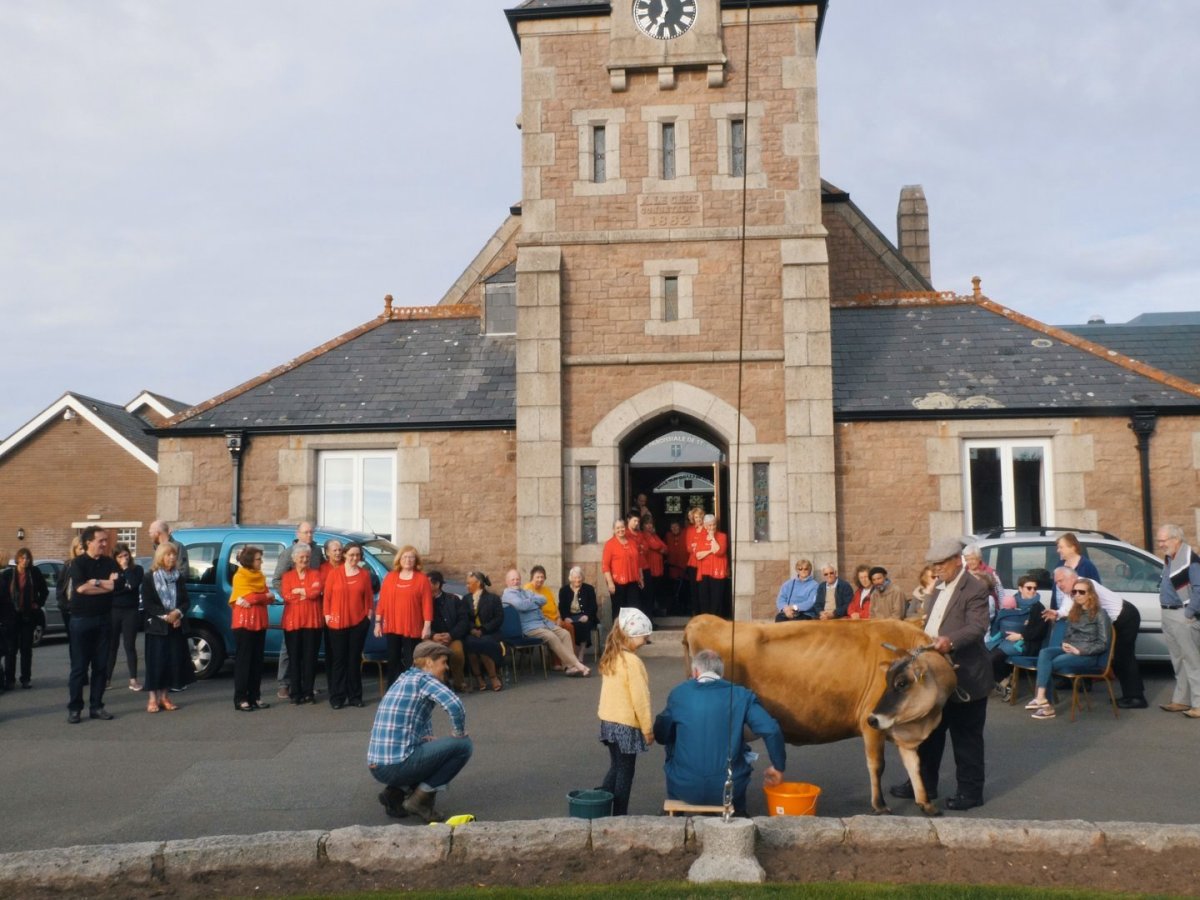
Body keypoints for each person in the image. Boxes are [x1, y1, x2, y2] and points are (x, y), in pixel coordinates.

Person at [890, 536, 991, 811]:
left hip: (966, 674)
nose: (936, 569)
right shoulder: (937, 589)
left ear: (957, 561)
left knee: (966, 738)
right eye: (933, 565)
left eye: (941, 564)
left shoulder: (975, 588)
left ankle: (970, 793)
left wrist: (950, 640)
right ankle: (923, 784)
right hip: (936, 676)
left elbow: (977, 627)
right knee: (930, 733)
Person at [653, 648, 786, 815]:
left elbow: (661, 734)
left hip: (684, 787)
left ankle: (676, 816)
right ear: (721, 673)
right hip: (729, 788)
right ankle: (739, 815)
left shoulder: (679, 693)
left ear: (695, 672)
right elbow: (771, 729)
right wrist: (778, 766)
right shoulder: (741, 694)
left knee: (673, 738)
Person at [367, 640, 472, 823]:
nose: (446, 668)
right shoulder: (425, 679)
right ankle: (419, 801)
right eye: (443, 662)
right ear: (429, 662)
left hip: (378, 765)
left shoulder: (405, 678)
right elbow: (456, 706)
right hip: (395, 766)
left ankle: (395, 794)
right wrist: (458, 732)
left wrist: (428, 741)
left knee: (433, 748)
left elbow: (420, 719)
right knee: (463, 746)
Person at [1046, 566, 1145, 709]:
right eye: (1056, 582)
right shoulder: (1073, 591)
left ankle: (1136, 698)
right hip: (1115, 619)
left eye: (1060, 581)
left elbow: (1088, 607)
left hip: (1125, 616)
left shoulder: (1085, 585)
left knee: (1124, 658)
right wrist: (1057, 613)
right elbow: (1067, 609)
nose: (1058, 585)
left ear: (1072, 578)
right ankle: (1131, 695)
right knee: (1119, 659)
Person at [1025, 578, 1112, 720]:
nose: (1077, 594)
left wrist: (1080, 651)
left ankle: (1047, 706)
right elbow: (1068, 635)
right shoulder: (1074, 611)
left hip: (1087, 655)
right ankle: (1041, 698)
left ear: (1090, 594)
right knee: (1045, 653)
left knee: (1048, 665)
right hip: (1070, 649)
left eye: (1081, 592)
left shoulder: (1100, 614)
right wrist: (1065, 643)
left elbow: (1103, 643)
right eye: (1074, 592)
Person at [596, 608, 655, 816]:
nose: (646, 640)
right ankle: (619, 815)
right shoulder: (633, 662)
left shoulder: (612, 656)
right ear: (634, 635)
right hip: (625, 725)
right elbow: (640, 698)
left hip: (608, 721)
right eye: (645, 636)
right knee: (625, 772)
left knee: (616, 767)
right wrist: (648, 729)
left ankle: (599, 805)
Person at [66, 527, 120, 723]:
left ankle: (96, 706)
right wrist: (104, 584)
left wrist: (95, 582)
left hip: (104, 620)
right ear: (88, 542)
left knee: (101, 666)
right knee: (79, 667)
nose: (105, 544)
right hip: (82, 620)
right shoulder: (78, 563)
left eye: (106, 540)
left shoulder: (109, 563)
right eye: (101, 541)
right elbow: (81, 589)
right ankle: (75, 708)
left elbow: (115, 587)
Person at [501, 569, 590, 676]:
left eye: (517, 579)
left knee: (564, 633)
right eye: (513, 580)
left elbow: (543, 600)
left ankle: (569, 667)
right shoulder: (508, 595)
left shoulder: (524, 592)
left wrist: (530, 601)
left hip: (544, 623)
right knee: (552, 637)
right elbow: (522, 606)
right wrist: (533, 601)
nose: (516, 582)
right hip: (530, 628)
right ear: (507, 582)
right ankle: (577, 664)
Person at [272, 522, 325, 699]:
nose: (309, 535)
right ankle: (284, 684)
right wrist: (291, 597)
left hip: (311, 608)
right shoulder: (289, 552)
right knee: (289, 651)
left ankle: (305, 686)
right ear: (298, 533)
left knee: (309, 653)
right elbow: (278, 579)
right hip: (294, 610)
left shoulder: (316, 551)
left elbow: (320, 576)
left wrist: (306, 592)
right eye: (306, 532)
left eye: (311, 532)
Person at [1154, 524, 1200, 718]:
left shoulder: (1192, 560)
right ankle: (1181, 700)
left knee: (1192, 661)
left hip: (1182, 614)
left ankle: (1198, 703)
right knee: (1178, 659)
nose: (1160, 544)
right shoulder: (1170, 558)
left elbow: (1199, 589)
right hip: (1168, 613)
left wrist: (1189, 613)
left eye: (1163, 540)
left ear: (1176, 539)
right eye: (1159, 540)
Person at [141, 542, 191, 713]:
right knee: (156, 663)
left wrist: (178, 613)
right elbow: (148, 603)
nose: (172, 557)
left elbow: (185, 601)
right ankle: (152, 698)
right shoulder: (149, 577)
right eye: (168, 554)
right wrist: (167, 617)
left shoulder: (178, 577)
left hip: (175, 626)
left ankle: (164, 696)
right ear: (160, 557)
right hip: (156, 627)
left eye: (174, 554)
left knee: (171, 663)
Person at [324, 543, 375, 709]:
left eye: (357, 555)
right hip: (337, 623)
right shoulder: (334, 573)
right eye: (351, 555)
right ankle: (337, 697)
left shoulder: (364, 575)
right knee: (339, 661)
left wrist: (368, 617)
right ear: (345, 555)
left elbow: (368, 598)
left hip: (358, 623)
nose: (354, 558)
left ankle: (355, 696)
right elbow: (328, 598)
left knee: (354, 660)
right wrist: (327, 616)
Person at [375, 546, 434, 687]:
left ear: (416, 560)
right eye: (405, 557)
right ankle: (392, 690)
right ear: (399, 559)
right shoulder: (390, 577)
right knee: (393, 660)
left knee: (411, 661)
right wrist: (378, 622)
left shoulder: (422, 579)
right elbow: (382, 602)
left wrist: (427, 626)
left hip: (412, 626)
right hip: (392, 625)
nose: (408, 560)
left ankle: (411, 689)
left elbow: (427, 604)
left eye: (411, 557)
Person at [230, 545, 273, 712]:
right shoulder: (240, 576)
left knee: (257, 661)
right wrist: (262, 597)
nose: (261, 562)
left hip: (259, 622)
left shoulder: (260, 575)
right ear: (249, 560)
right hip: (244, 623)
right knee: (244, 662)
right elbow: (249, 596)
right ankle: (240, 698)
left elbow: (270, 597)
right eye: (258, 559)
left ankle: (255, 696)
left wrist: (259, 598)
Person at [280, 543, 323, 704]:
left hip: (312, 621)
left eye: (307, 557)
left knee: (310, 658)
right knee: (294, 658)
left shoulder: (316, 574)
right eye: (301, 557)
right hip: (293, 622)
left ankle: (308, 692)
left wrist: (299, 591)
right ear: (294, 559)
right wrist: (305, 593)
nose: (304, 559)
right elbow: (286, 595)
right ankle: (295, 692)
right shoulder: (287, 576)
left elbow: (315, 592)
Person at [1, 548, 47, 689]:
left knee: (26, 648)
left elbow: (44, 591)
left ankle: (25, 678)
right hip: (11, 616)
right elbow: (2, 596)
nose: (25, 561)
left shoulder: (34, 573)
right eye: (22, 558)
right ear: (17, 559)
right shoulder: (8, 574)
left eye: (27, 558)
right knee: (11, 649)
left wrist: (37, 604)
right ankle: (10, 680)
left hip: (28, 615)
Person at [106, 543, 143, 692]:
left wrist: (125, 571)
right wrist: (122, 587)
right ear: (115, 558)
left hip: (130, 611)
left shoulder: (136, 569)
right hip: (114, 611)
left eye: (126, 555)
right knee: (111, 646)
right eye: (120, 556)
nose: (124, 559)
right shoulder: (111, 571)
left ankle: (133, 680)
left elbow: (133, 584)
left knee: (129, 645)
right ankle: (107, 679)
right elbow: (110, 590)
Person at [462, 571, 505, 693]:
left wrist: (484, 629)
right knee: (470, 643)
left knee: (484, 643)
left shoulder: (493, 598)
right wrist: (472, 629)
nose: (467, 586)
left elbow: (499, 618)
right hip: (472, 632)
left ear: (478, 583)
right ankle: (479, 677)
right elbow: (463, 618)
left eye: (469, 583)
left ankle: (493, 677)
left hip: (490, 632)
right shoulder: (466, 599)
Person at [428, 571, 469, 693]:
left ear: (437, 584)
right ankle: (441, 683)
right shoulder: (423, 601)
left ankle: (458, 682)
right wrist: (433, 635)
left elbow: (463, 621)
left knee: (457, 652)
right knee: (435, 654)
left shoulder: (453, 599)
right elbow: (420, 622)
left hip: (452, 636)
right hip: (432, 638)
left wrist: (451, 635)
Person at [526, 565, 573, 668]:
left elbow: (555, 606)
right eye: (537, 577)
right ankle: (557, 662)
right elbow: (534, 612)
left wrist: (559, 618)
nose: (540, 579)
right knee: (560, 631)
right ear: (532, 577)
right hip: (542, 622)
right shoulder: (528, 590)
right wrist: (552, 621)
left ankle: (570, 661)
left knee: (569, 627)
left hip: (554, 619)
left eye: (542, 577)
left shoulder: (547, 590)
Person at [602, 519, 642, 624]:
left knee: (634, 610)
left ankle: (634, 637)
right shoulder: (610, 544)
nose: (620, 530)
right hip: (617, 583)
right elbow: (605, 566)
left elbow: (638, 561)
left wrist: (640, 577)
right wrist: (610, 583)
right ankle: (618, 638)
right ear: (614, 530)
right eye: (617, 528)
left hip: (632, 581)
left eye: (622, 527)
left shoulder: (632, 542)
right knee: (618, 611)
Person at [559, 566, 599, 660]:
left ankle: (581, 653)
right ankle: (574, 652)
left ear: (583, 578)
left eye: (579, 577)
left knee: (584, 624)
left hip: (586, 616)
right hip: (570, 616)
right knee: (571, 625)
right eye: (575, 577)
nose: (577, 580)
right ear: (570, 578)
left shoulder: (589, 589)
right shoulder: (564, 590)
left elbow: (593, 606)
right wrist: (565, 617)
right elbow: (562, 606)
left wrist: (587, 616)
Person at [694, 514, 728, 618]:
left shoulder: (722, 536)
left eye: (713, 525)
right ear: (704, 525)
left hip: (717, 572)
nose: (711, 527)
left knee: (716, 599)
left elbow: (719, 551)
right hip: (704, 572)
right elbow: (698, 555)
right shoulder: (700, 537)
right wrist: (710, 551)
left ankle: (716, 622)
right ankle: (706, 622)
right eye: (709, 525)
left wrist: (713, 538)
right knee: (704, 599)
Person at [963, 544, 1004, 617]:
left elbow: (1000, 592)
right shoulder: (963, 573)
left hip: (988, 612)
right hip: (969, 613)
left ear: (979, 558)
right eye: (967, 559)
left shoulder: (990, 572)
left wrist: (1002, 611)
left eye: (972, 559)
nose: (970, 562)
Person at [641, 517, 668, 614]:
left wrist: (660, 548)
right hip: (650, 568)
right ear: (643, 525)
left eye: (651, 523)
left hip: (657, 568)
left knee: (654, 593)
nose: (649, 526)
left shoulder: (654, 535)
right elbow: (655, 546)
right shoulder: (644, 535)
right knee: (649, 594)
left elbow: (665, 548)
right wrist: (660, 548)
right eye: (647, 523)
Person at [665, 520, 690, 615]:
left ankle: (685, 609)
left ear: (680, 527)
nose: (674, 529)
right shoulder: (668, 536)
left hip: (684, 568)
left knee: (685, 590)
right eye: (672, 527)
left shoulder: (685, 533)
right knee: (673, 591)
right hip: (673, 569)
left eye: (676, 526)